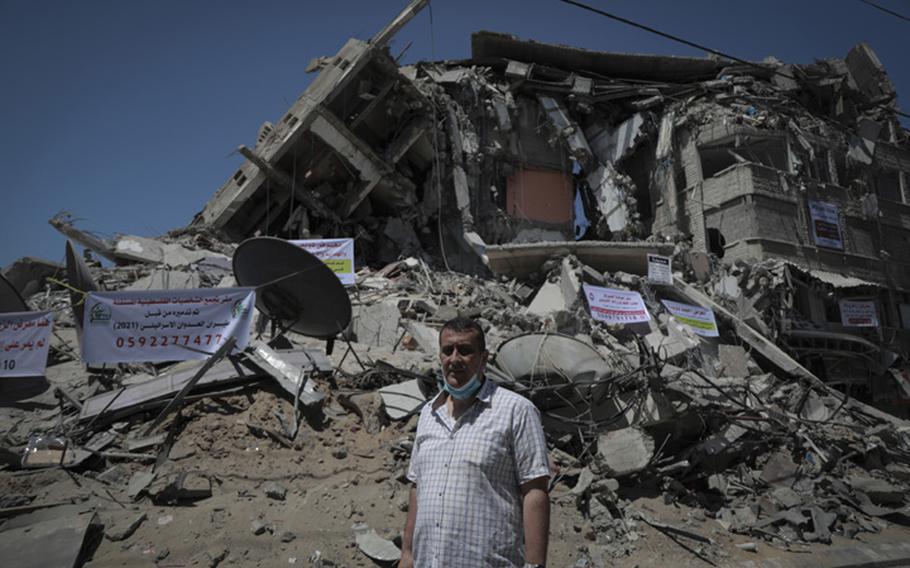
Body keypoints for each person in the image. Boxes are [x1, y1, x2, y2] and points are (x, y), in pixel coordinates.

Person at [400, 317, 550, 568]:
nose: (455, 359)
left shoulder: (516, 411)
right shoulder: (428, 413)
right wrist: (407, 554)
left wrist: (535, 566)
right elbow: (418, 487)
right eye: (448, 350)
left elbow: (534, 491)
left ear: (483, 358)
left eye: (465, 350)